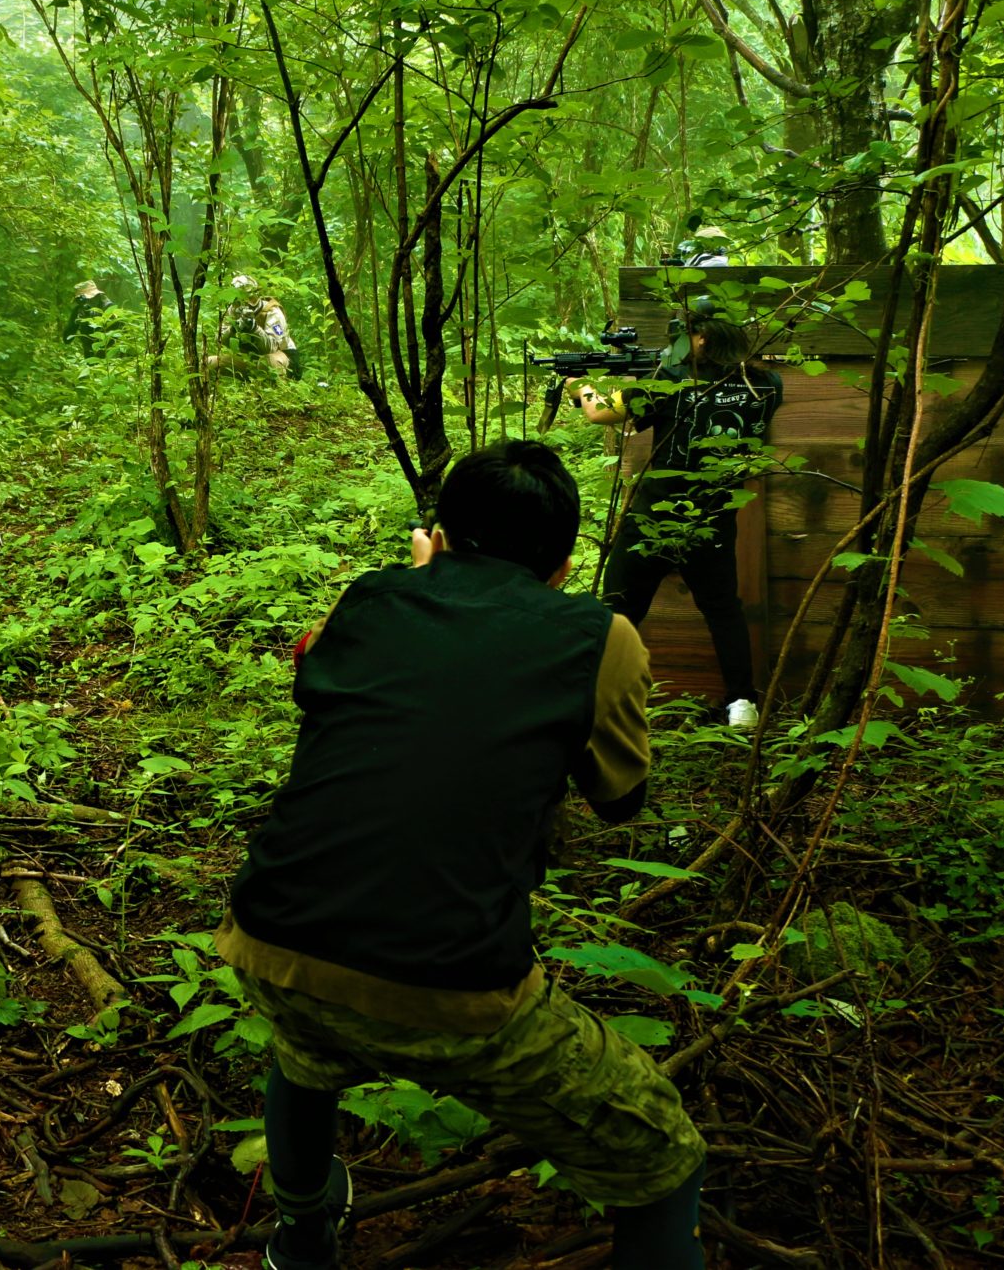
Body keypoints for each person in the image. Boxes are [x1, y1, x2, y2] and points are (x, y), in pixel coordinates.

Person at [215, 441, 706, 1270]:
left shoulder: (370, 598)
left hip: (270, 939)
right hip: (451, 982)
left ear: (440, 534)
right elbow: (620, 798)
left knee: (305, 1050)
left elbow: (317, 677)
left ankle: (299, 1237)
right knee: (664, 1154)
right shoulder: (598, 634)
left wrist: (420, 581)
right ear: (564, 560)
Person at [576, 302, 782, 729]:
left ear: (701, 338)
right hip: (714, 517)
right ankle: (742, 705)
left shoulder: (668, 380)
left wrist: (580, 385)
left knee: (619, 609)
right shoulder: (766, 383)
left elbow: (600, 412)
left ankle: (593, 698)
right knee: (724, 610)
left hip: (655, 515)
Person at [229, 274, 297, 378]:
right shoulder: (232, 311)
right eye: (240, 300)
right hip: (248, 359)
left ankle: (276, 390)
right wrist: (232, 329)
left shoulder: (272, 311)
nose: (247, 303)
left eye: (251, 298)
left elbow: (272, 347)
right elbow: (220, 341)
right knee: (210, 362)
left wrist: (254, 328)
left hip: (282, 356)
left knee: (266, 363)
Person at [62, 279, 112, 355]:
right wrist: (76, 322)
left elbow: (114, 339)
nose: (88, 302)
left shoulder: (109, 308)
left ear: (97, 296)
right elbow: (67, 339)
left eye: (91, 298)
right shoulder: (79, 310)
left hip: (111, 358)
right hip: (90, 359)